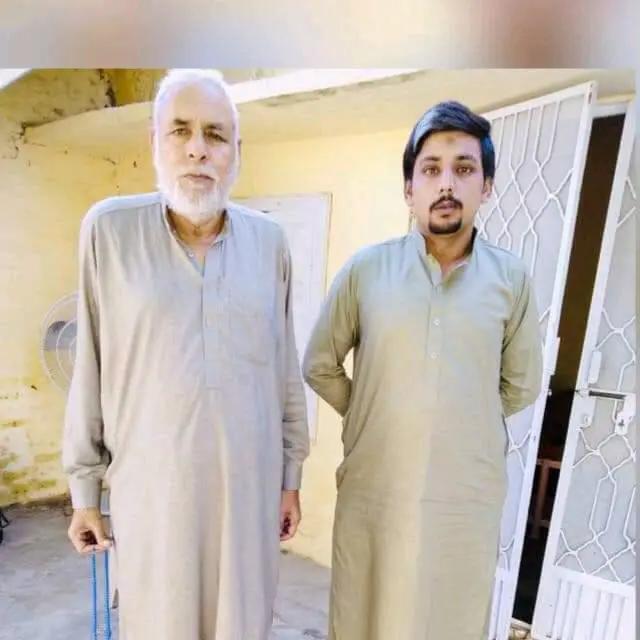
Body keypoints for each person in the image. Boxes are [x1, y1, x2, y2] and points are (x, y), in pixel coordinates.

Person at [63, 68, 309, 640]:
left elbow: (283, 370)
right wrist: (84, 492)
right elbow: (89, 365)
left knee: (243, 624)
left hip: (247, 501)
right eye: (180, 130)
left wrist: (290, 476)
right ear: (155, 142)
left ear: (237, 152)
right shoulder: (109, 231)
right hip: (153, 501)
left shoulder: (269, 243)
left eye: (216, 134)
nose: (198, 149)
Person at [303, 101, 543, 640]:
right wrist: (373, 412)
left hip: (464, 500)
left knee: (449, 618)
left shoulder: (510, 279)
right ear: (409, 189)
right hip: (376, 490)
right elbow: (319, 363)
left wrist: (457, 416)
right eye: (430, 169)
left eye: (464, 168)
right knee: (363, 614)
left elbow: (522, 384)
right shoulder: (367, 271)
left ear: (487, 186)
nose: (446, 184)